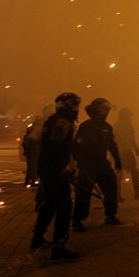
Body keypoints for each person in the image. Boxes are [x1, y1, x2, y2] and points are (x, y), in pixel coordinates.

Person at [30, 92, 81, 262]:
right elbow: (56, 147)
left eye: (76, 105)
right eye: (73, 105)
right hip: (53, 169)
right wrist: (62, 167)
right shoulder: (62, 123)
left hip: (47, 168)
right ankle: (59, 247)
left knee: (50, 204)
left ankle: (37, 239)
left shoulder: (56, 120)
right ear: (63, 105)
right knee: (65, 205)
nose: (76, 109)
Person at [72, 98, 123, 231]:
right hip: (88, 164)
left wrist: (117, 159)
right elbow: (76, 145)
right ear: (96, 110)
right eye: (103, 109)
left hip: (102, 164)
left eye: (107, 110)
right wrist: (79, 162)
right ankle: (77, 221)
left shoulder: (107, 127)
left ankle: (111, 215)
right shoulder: (86, 126)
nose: (106, 112)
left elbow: (112, 145)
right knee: (84, 193)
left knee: (111, 187)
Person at [113, 108, 139, 200]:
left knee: (134, 171)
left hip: (127, 151)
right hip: (120, 152)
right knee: (119, 173)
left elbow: (131, 139)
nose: (131, 118)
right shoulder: (118, 126)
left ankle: (137, 193)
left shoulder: (129, 126)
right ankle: (117, 195)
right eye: (129, 116)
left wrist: (136, 148)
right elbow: (117, 139)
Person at [22, 104, 54, 188]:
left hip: (34, 147)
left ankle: (28, 181)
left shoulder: (34, 126)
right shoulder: (43, 124)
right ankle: (32, 181)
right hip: (35, 147)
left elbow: (26, 139)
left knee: (32, 166)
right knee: (34, 165)